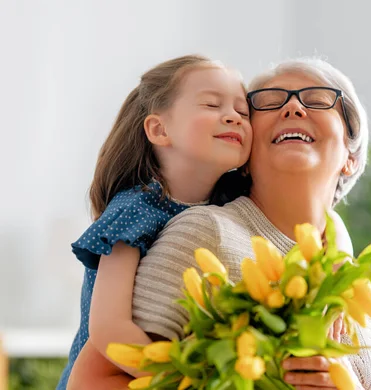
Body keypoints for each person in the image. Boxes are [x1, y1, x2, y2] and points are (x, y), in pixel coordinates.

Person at [69, 58, 371, 389]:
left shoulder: (369, 288)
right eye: (269, 102)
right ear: (245, 155)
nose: (293, 109)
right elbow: (92, 380)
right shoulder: (202, 232)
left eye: (318, 100)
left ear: (351, 159)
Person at [56, 54, 254, 389]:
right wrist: (179, 379)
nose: (233, 117)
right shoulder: (137, 208)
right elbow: (109, 327)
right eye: (211, 104)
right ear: (159, 129)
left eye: (242, 111)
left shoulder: (232, 206)